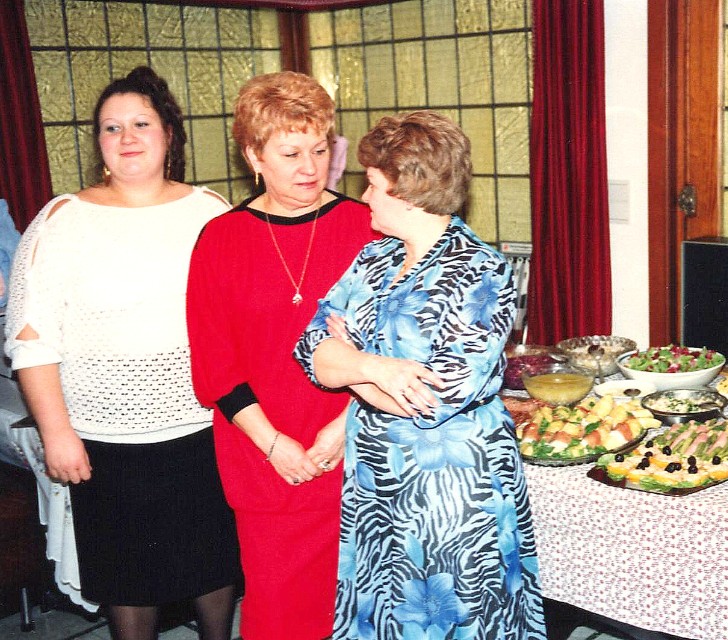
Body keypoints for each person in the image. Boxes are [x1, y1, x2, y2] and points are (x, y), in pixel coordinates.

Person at [3, 66, 239, 640]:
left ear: (169, 134)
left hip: (204, 428)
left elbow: (240, 320)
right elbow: (31, 340)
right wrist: (57, 433)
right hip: (105, 441)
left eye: (141, 123)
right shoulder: (62, 221)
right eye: (112, 127)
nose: (127, 137)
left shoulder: (211, 210)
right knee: (127, 577)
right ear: (100, 143)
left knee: (212, 563)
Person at [294, 110, 547, 638]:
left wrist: (349, 361)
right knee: (383, 616)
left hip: (449, 487)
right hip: (374, 478)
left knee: (452, 618)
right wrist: (375, 367)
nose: (364, 196)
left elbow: (431, 399)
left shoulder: (482, 271)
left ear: (408, 192)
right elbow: (309, 349)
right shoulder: (374, 257)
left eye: (373, 184)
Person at [185, 71, 378, 640]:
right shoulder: (221, 239)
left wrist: (343, 428)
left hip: (358, 445)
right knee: (280, 611)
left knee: (362, 607)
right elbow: (214, 365)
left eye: (320, 149)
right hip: (263, 456)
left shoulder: (367, 227)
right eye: (290, 154)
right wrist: (274, 444)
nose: (310, 167)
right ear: (254, 156)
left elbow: (395, 344)